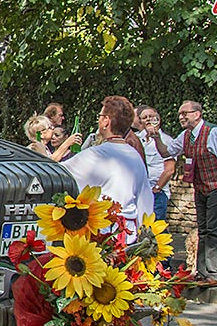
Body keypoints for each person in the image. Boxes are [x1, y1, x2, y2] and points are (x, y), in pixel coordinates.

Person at [156, 101, 217, 285]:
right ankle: (202, 272)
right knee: (203, 230)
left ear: (197, 114)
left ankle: (214, 274)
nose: (181, 117)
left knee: (215, 231)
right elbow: (166, 152)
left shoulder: (213, 133)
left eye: (185, 113)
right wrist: (156, 137)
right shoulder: (186, 136)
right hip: (200, 188)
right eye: (180, 114)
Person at [62, 96, 154, 240]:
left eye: (100, 116)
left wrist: (45, 154)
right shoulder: (134, 156)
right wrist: (145, 235)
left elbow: (59, 175)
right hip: (129, 233)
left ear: (106, 121)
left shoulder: (97, 155)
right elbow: (146, 200)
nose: (98, 120)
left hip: (103, 233)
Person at [135, 105, 176, 219]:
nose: (148, 119)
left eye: (151, 116)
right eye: (145, 117)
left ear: (158, 119)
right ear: (141, 122)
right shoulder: (136, 139)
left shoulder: (167, 140)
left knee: (155, 226)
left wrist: (157, 189)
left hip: (157, 193)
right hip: (139, 192)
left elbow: (169, 170)